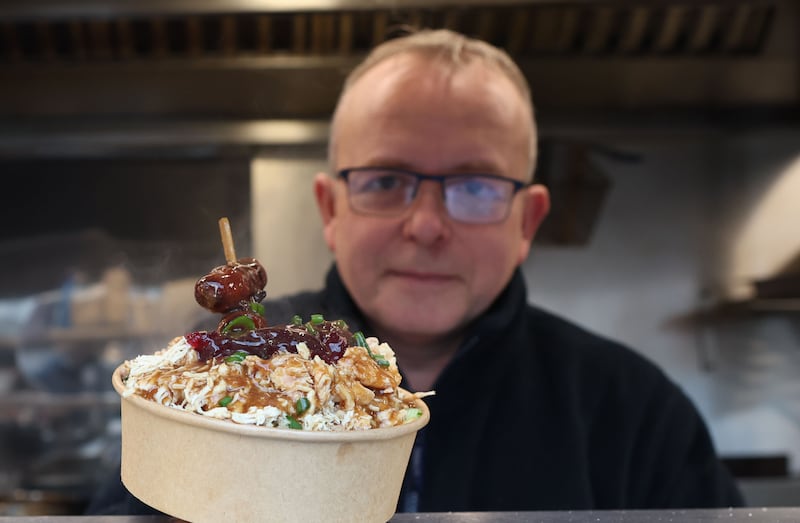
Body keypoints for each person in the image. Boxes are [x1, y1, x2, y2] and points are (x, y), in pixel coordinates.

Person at [87, 28, 743, 514]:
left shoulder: (635, 414)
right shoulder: (204, 386)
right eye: (387, 179)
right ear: (330, 208)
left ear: (527, 222)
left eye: (476, 186)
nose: (426, 224)